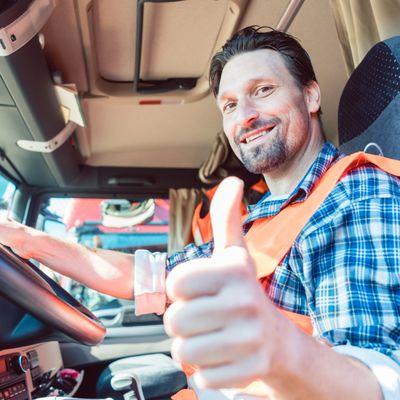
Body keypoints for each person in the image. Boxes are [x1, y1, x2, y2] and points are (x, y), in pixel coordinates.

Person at [0, 26, 399, 399]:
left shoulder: (353, 192)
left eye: (262, 90)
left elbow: (378, 377)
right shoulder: (260, 218)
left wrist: (283, 350)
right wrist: (30, 241)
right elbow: (143, 278)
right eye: (229, 104)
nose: (244, 116)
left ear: (311, 96)